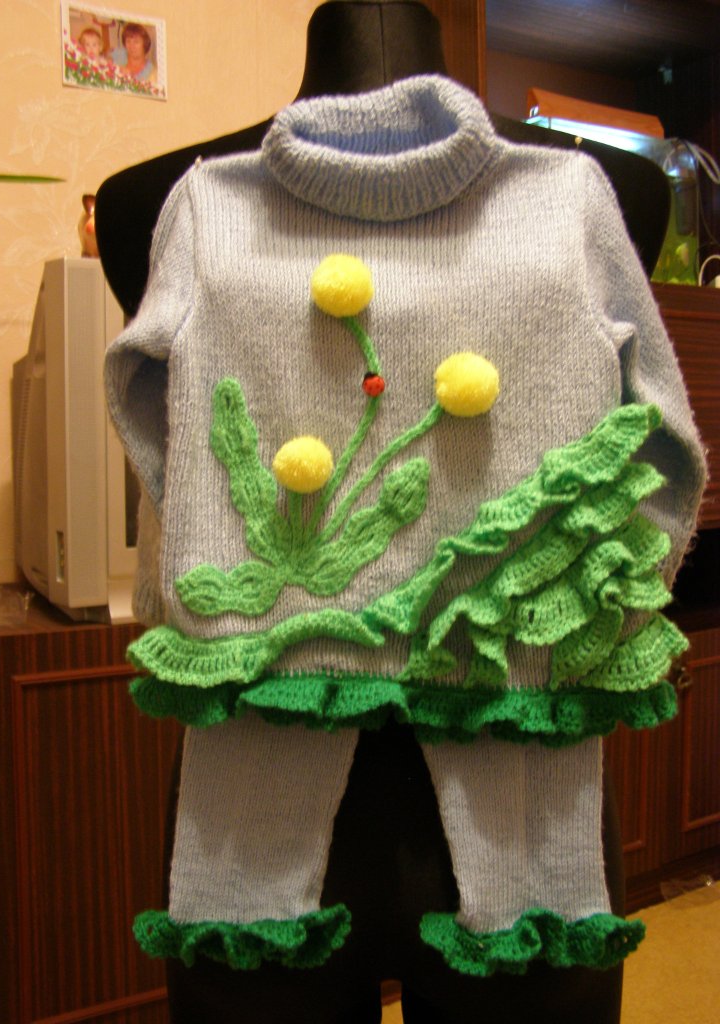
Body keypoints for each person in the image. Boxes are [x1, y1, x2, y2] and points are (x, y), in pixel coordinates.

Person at [98, 5, 700, 1024]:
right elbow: (666, 457)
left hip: (311, 739)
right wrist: (583, 613)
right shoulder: (186, 202)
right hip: (508, 729)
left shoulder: (588, 195)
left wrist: (216, 585)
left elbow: (146, 420)